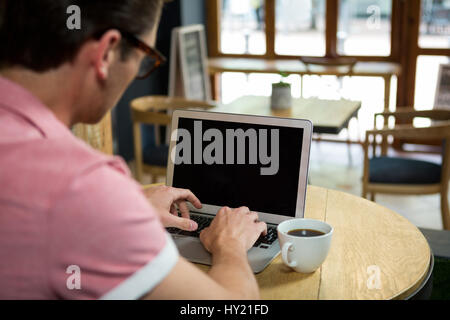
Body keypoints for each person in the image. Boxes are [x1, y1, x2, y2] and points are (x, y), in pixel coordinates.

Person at [0, 0, 267, 300]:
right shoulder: (82, 186)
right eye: (145, 58)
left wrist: (129, 205)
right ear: (107, 53)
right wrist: (229, 244)